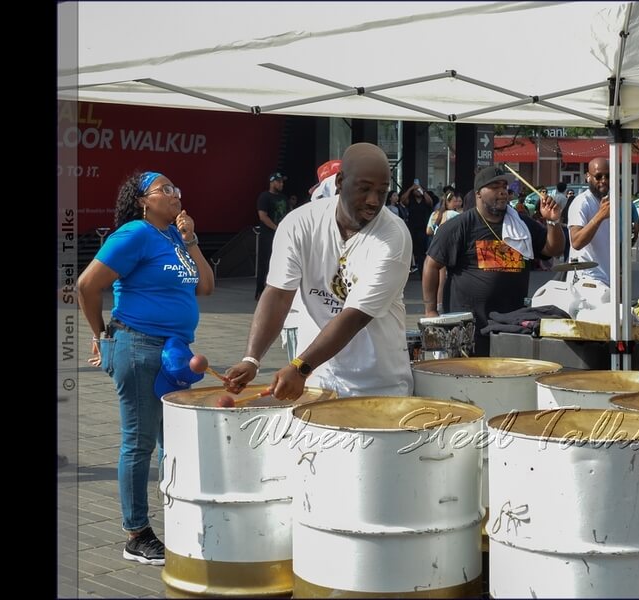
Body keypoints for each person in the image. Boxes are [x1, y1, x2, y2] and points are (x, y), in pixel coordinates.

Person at [78, 170, 215, 566]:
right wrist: (102, 334)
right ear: (143, 200)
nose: (175, 194)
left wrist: (190, 240)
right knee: (139, 441)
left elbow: (205, 286)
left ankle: (178, 516)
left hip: (174, 351)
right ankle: (136, 533)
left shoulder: (173, 238)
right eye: (165, 189)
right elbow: (88, 285)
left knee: (171, 438)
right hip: (137, 346)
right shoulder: (134, 234)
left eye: (177, 187)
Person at [226, 143, 413, 399]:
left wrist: (300, 367)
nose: (373, 201)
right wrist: (252, 359)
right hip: (316, 382)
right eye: (365, 188)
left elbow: (355, 315)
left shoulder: (394, 236)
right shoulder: (299, 223)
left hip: (377, 387)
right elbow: (279, 294)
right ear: (339, 181)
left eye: (382, 192)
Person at [423, 165, 565, 356]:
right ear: (479, 193)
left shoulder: (521, 225)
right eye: (495, 186)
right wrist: (431, 311)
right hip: (471, 330)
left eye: (505, 186)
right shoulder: (460, 225)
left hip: (511, 327)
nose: (502, 191)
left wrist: (553, 222)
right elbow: (431, 264)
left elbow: (553, 249)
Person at [566, 158, 639, 287]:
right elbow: (576, 242)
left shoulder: (611, 201)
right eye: (598, 176)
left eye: (608, 176)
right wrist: (600, 216)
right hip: (588, 280)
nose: (604, 181)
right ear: (588, 177)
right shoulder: (581, 203)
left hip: (608, 278)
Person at [256, 172, 289, 300]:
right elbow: (262, 216)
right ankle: (260, 290)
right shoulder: (264, 197)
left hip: (282, 235)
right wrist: (276, 228)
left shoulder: (283, 198)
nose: (281, 184)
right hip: (268, 235)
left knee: (281, 262)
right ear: (272, 182)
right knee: (265, 263)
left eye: (282, 182)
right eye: (279, 181)